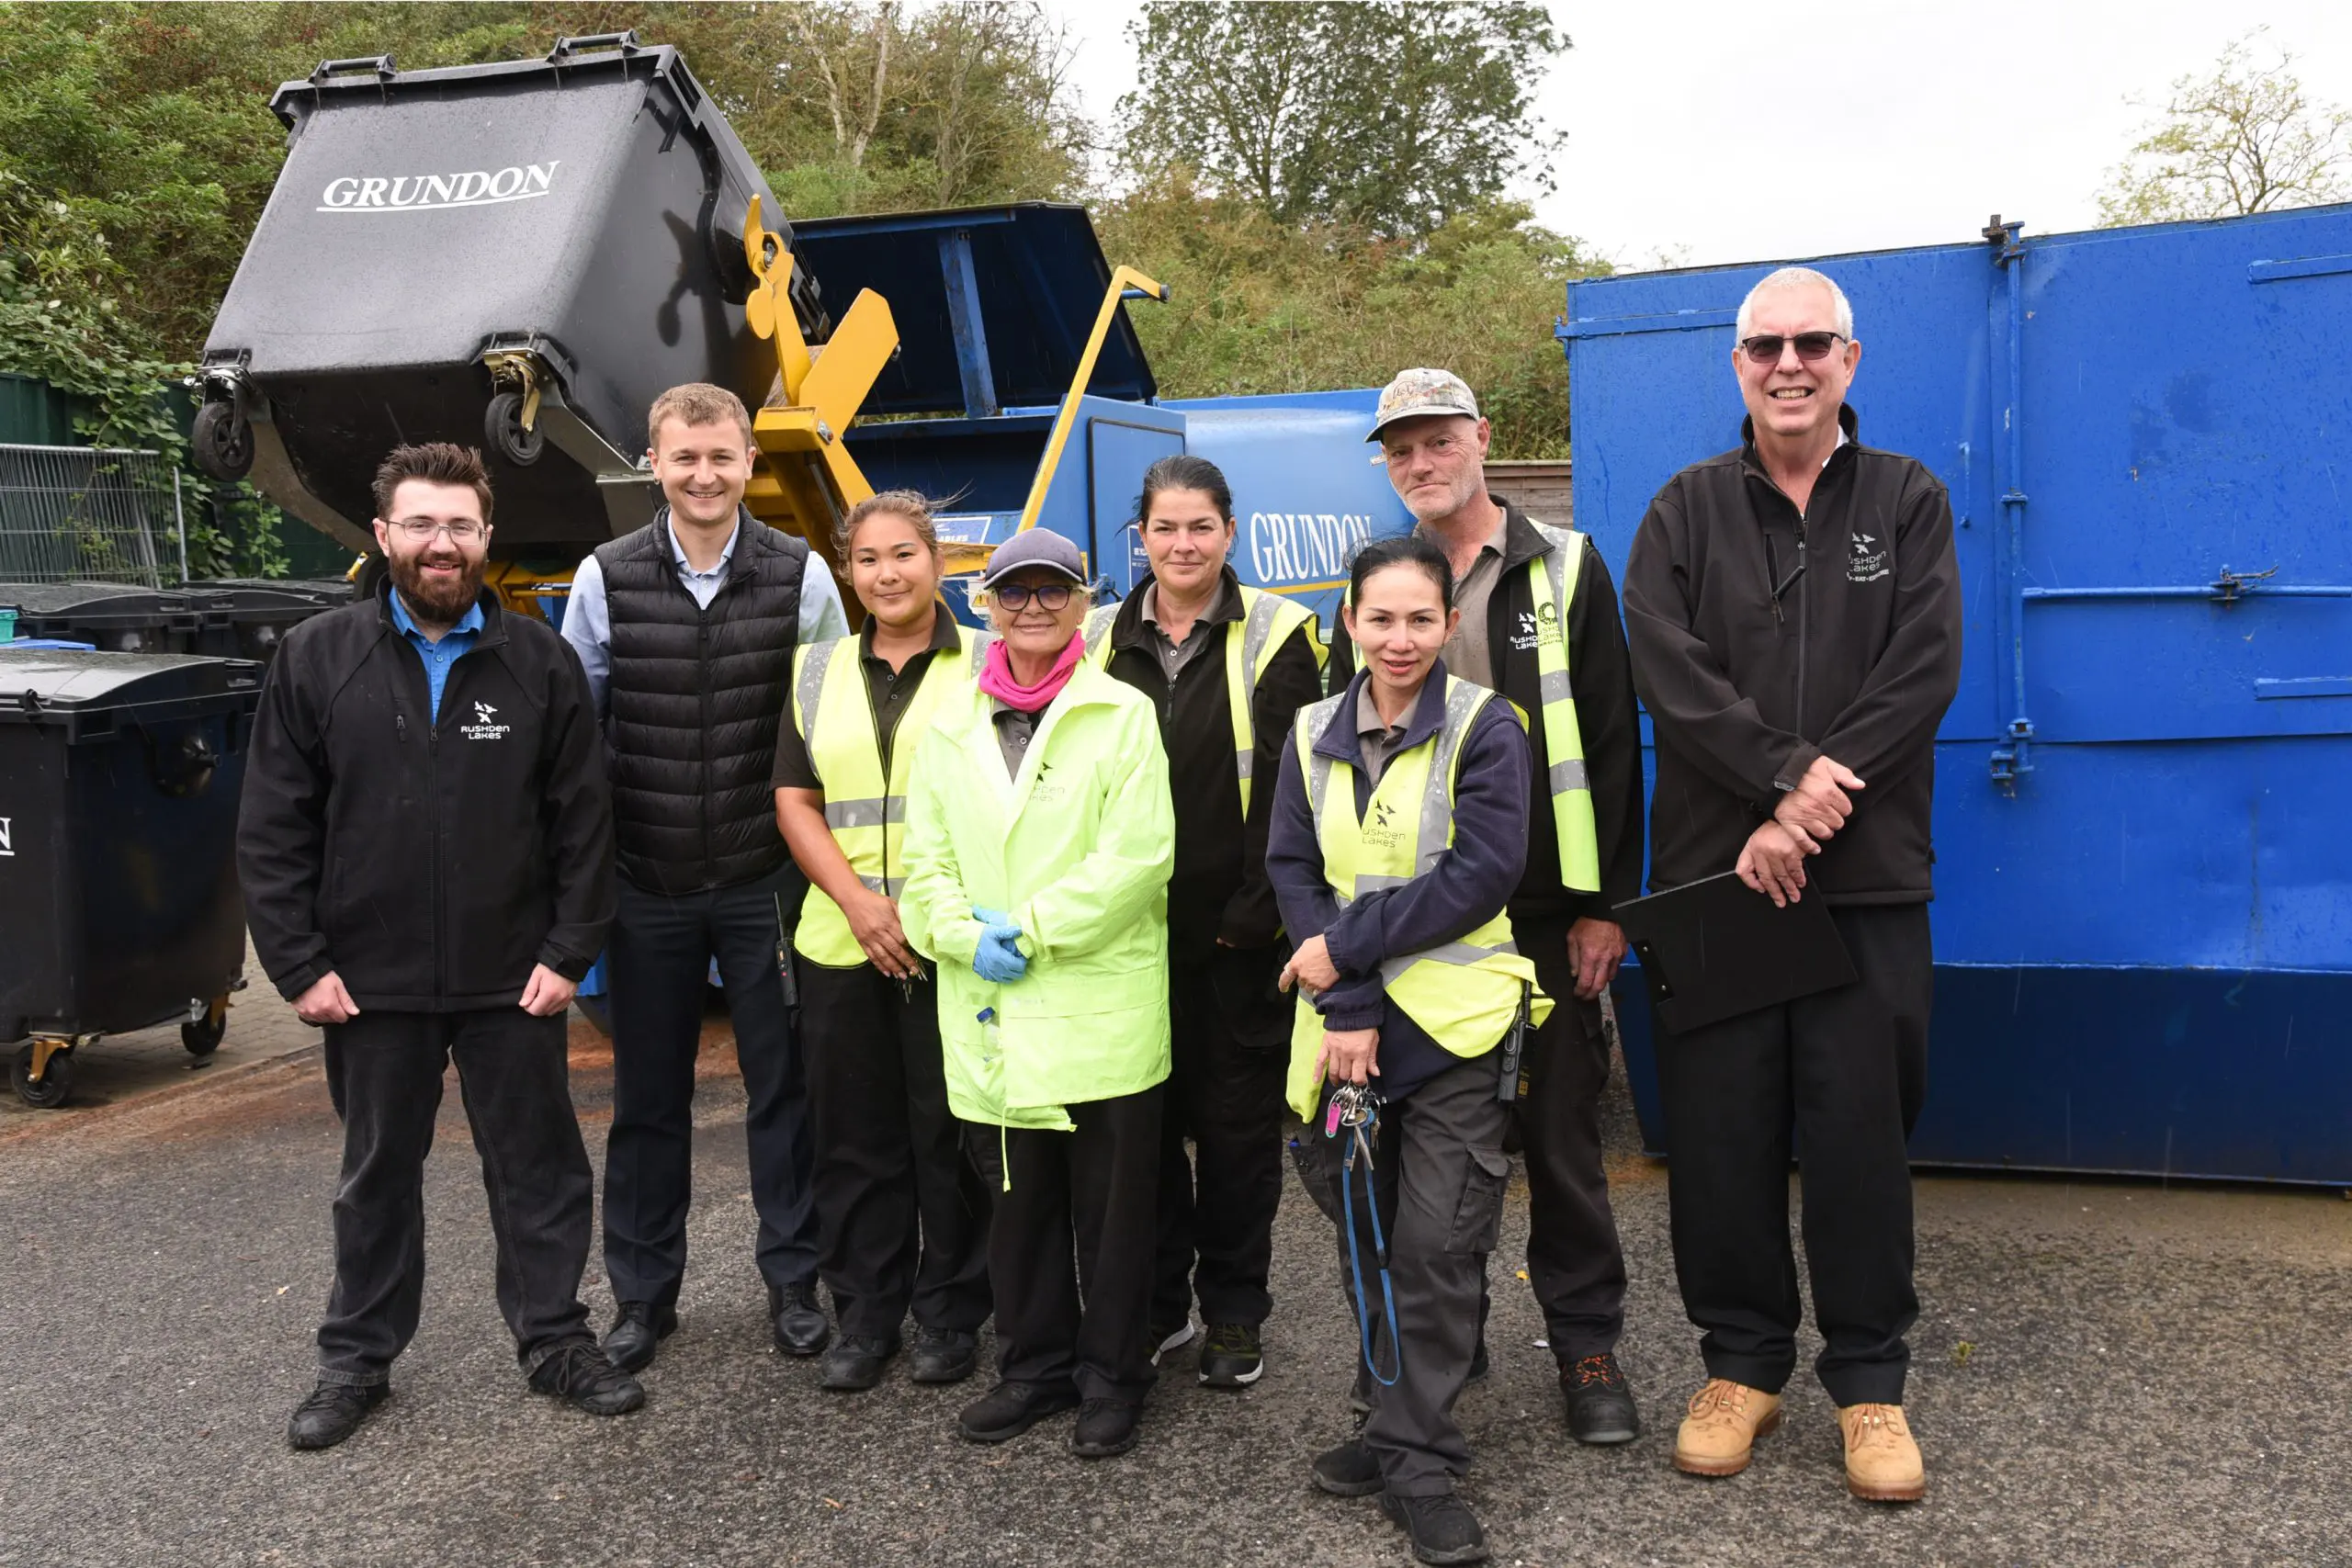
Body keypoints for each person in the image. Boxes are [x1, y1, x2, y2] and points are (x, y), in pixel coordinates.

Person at [1621, 266, 1962, 1503]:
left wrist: (1813, 806)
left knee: (1862, 1132)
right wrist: (1776, 784)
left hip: (1864, 883)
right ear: (1737, 365)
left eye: (1812, 341)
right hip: (1722, 883)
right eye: (1764, 344)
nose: (1788, 362)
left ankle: (1869, 1380)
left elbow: (1923, 669)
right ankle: (1742, 1364)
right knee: (1720, 1133)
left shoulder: (1909, 500)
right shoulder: (1684, 509)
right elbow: (1671, 667)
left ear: (1849, 361)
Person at [239, 442, 637, 1450]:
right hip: (367, 983)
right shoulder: (316, 658)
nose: (441, 544)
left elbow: (584, 824)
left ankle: (553, 1339)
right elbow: (273, 825)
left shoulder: (537, 662)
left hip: (515, 975)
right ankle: (355, 1361)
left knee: (539, 1168)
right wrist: (298, 962)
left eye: (460, 525)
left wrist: (570, 948)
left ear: (486, 537)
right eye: (420, 524)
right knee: (376, 1172)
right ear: (383, 536)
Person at [1328, 367, 1647, 1446]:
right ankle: (1432, 1362)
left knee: (1558, 1141)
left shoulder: (1566, 565)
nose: (1421, 463)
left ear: (1482, 439)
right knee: (1429, 1156)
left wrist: (1608, 908)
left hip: (1545, 917)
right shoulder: (1381, 581)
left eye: (1437, 441)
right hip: (1418, 922)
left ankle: (1586, 1344)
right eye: (1400, 449)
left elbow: (1609, 744)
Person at [559, 383, 852, 1371]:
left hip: (765, 881)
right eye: (684, 458)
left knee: (785, 1090)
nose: (703, 474)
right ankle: (643, 1298)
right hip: (647, 882)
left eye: (721, 457)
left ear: (747, 464)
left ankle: (793, 1283)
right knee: (647, 1100)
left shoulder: (800, 573)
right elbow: (576, 735)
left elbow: (828, 727)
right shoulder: (603, 578)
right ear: (654, 463)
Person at [1270, 534, 1550, 1568]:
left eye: (1419, 619)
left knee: (1435, 1242)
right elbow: (1290, 868)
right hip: (1346, 1035)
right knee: (1365, 1238)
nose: (1399, 639)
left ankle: (1418, 1467)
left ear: (1447, 625)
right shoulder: (1307, 731)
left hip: (1456, 1025)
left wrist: (1344, 949)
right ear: (1348, 621)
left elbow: (1481, 874)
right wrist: (1345, 999)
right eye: (1378, 618)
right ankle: (1401, 1423)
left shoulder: (1488, 728)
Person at [898, 528, 1175, 1461]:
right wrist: (965, 934)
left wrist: (1034, 927)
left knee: (1111, 1215)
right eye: (1012, 593)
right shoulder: (945, 727)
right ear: (985, 605)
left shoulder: (1123, 714)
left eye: (1051, 591)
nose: (1031, 608)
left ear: (1083, 602)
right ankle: (1034, 1369)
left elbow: (1138, 857)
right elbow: (922, 864)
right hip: (993, 1009)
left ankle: (1111, 1378)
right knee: (1017, 1210)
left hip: (1097, 1005)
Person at [1078, 454, 1326, 1388]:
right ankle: (1154, 1309)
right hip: (1123, 938)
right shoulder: (1097, 636)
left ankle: (1232, 1315)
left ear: (1230, 532)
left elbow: (1298, 787)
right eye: (1164, 528)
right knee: (1138, 1139)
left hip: (1236, 941)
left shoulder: (1280, 633)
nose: (1182, 545)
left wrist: (1251, 920)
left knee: (1232, 1141)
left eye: (1200, 527)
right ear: (1137, 536)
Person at [772, 491, 995, 1393]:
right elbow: (795, 799)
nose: (887, 574)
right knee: (854, 1142)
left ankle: (951, 1315)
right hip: (841, 940)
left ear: (936, 563)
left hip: (952, 943)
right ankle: (865, 1318)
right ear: (847, 571)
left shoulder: (989, 661)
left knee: (951, 1136)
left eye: (904, 555)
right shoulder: (814, 671)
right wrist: (860, 904)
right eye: (867, 560)